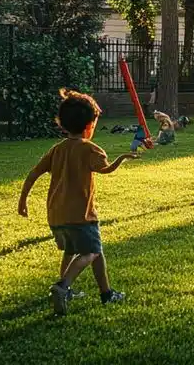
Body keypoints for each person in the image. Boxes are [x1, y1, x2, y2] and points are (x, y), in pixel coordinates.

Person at [18, 89, 138, 316]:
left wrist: (23, 200)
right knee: (90, 252)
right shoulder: (89, 148)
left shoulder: (57, 149)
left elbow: (34, 173)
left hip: (56, 215)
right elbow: (104, 169)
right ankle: (62, 287)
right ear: (89, 125)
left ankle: (106, 293)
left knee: (78, 250)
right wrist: (122, 158)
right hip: (82, 216)